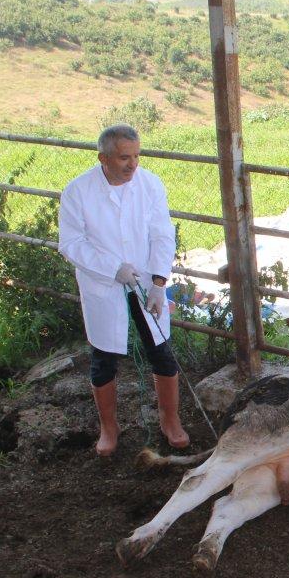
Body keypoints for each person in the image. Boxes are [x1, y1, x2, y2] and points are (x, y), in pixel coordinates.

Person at [57, 124, 190, 457]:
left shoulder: (150, 184)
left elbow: (162, 234)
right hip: (103, 285)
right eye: (124, 158)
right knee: (104, 358)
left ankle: (169, 419)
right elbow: (71, 244)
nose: (133, 165)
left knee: (161, 350)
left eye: (136, 156)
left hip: (146, 280)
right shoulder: (78, 192)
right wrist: (112, 268)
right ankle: (109, 427)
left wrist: (159, 282)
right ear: (103, 158)